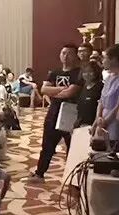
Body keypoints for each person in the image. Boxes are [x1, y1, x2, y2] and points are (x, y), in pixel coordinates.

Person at [28, 44, 84, 182]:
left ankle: (73, 177)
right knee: (47, 145)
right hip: (53, 112)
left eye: (69, 53)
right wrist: (62, 89)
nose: (65, 56)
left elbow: (71, 92)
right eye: (63, 53)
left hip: (71, 113)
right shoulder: (54, 72)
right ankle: (40, 173)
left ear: (75, 56)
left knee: (72, 147)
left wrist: (54, 91)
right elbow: (43, 90)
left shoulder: (79, 73)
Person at [93, 44, 119, 147]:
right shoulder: (108, 77)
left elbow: (117, 106)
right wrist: (98, 118)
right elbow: (101, 101)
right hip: (102, 119)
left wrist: (105, 122)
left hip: (113, 120)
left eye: (105, 58)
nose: (102, 61)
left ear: (114, 60)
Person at [76, 61, 103, 128]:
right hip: (81, 124)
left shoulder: (101, 87)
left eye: (90, 72)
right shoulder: (83, 87)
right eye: (85, 72)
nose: (87, 74)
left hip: (94, 124)